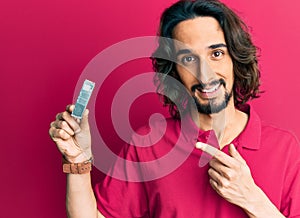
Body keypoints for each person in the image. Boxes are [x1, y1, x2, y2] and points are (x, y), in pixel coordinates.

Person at [49, 0, 300, 217]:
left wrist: (252, 199)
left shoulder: (286, 149)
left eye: (216, 54)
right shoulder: (148, 144)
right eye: (188, 59)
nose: (204, 74)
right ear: (174, 71)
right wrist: (77, 162)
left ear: (236, 59)